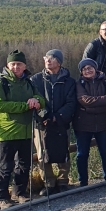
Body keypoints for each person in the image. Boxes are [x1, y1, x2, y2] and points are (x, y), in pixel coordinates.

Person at [0, 50, 45, 209]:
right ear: (7, 65)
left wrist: (36, 101)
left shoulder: (29, 82)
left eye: (19, 64)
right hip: (7, 132)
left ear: (24, 66)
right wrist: (25, 106)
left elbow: (41, 99)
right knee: (5, 166)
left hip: (26, 130)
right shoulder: (0, 83)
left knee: (23, 165)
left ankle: (19, 193)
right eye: (13, 64)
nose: (16, 67)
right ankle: (2, 197)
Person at [30, 49, 77, 195]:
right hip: (41, 123)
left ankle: (63, 181)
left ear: (59, 62)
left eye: (52, 58)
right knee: (42, 153)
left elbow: (71, 102)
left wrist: (57, 116)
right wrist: (45, 116)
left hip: (62, 122)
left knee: (64, 151)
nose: (48, 60)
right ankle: (49, 183)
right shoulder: (35, 80)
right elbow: (34, 100)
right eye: (46, 58)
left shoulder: (69, 81)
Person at [74, 58, 106, 187]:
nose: (87, 71)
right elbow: (83, 100)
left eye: (90, 68)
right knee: (82, 154)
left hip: (104, 123)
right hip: (83, 124)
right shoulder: (79, 83)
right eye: (84, 69)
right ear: (81, 72)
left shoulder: (105, 81)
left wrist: (91, 106)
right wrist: (103, 101)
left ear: (95, 68)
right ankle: (83, 181)